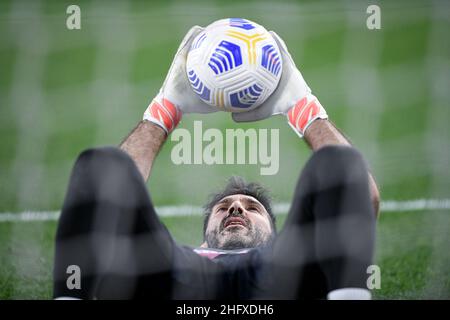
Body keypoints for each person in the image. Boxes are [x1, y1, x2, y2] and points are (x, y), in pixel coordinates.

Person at [53, 25, 380, 300]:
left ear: (278, 232)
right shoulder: (175, 258)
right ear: (202, 236)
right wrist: (163, 112)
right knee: (102, 164)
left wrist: (303, 108)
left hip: (280, 274)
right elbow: (108, 189)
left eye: (252, 208)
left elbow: (365, 197)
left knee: (337, 162)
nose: (236, 209)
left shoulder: (294, 254)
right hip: (181, 276)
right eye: (224, 208)